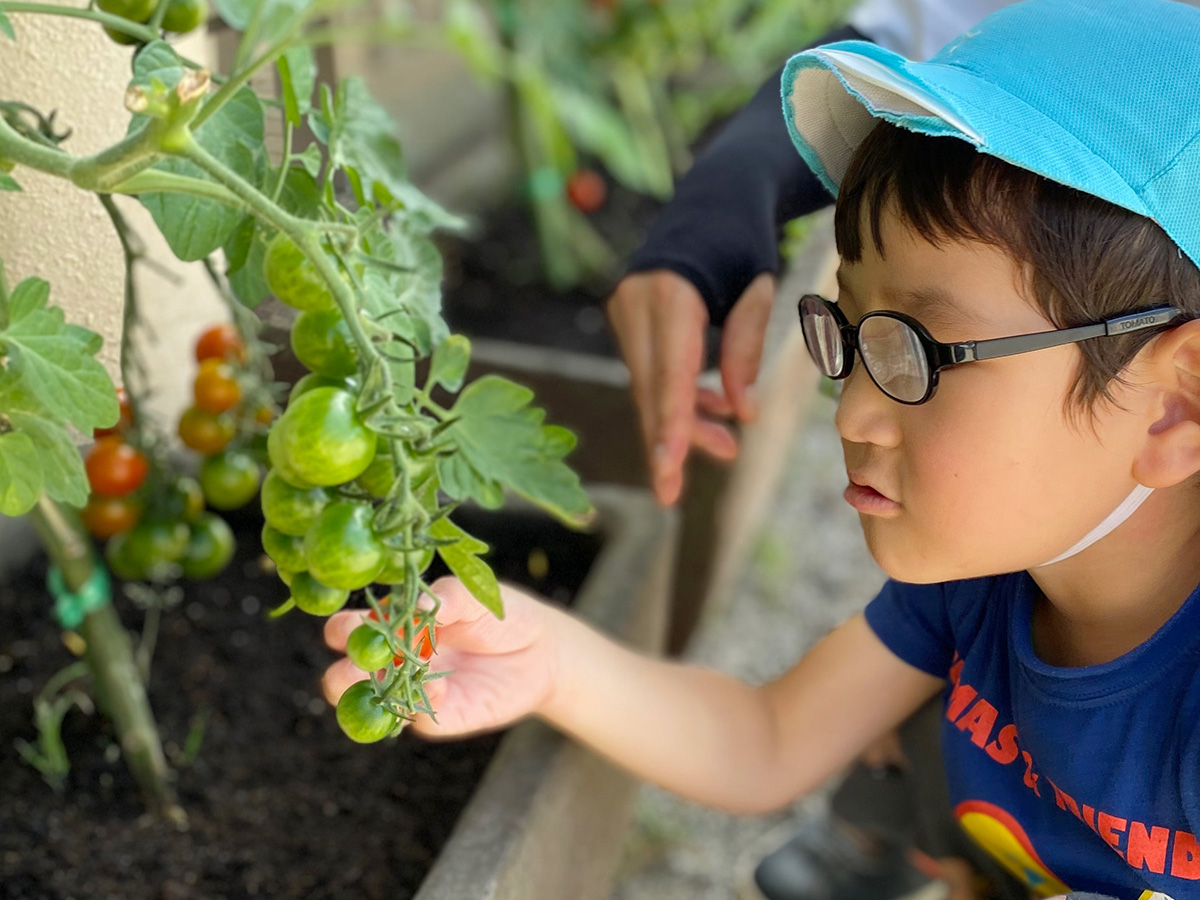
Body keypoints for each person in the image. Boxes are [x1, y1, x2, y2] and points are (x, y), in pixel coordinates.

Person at [324, 1, 1200, 898]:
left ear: (1176, 405)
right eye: (854, 333)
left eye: (921, 352)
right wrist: (546, 659)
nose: (853, 412)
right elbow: (770, 738)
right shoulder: (989, 579)